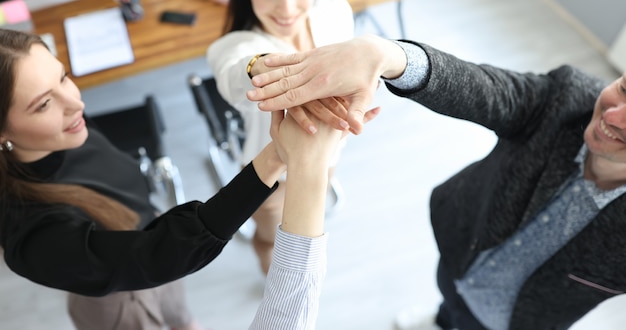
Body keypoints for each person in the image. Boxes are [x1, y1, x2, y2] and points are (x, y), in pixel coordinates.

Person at [247, 33, 626, 330]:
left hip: (520, 320)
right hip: (462, 248)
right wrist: (388, 56)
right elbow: (481, 88)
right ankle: (442, 319)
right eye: (624, 90)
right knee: (449, 299)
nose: (615, 115)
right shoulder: (567, 97)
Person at [0, 28, 354, 330]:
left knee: (179, 311)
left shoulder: (65, 130)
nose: (76, 103)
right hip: (122, 298)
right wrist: (275, 157)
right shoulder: (33, 238)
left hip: (152, 237)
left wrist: (277, 153)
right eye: (43, 104)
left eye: (62, 77)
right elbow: (157, 255)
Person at [206, 0, 354, 274]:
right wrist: (260, 67)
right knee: (272, 239)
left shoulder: (334, 9)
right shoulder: (235, 45)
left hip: (329, 154)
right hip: (272, 176)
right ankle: (270, 278)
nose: (287, 8)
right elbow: (233, 75)